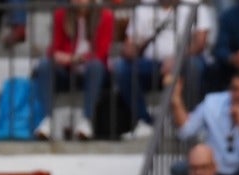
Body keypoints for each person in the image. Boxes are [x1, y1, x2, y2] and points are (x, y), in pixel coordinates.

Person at [114, 0, 212, 139]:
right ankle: (145, 121)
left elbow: (200, 43)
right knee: (122, 67)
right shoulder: (144, 7)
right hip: (152, 64)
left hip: (185, 60)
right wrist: (130, 50)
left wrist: (177, 60)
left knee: (195, 65)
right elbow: (129, 44)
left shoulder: (195, 4)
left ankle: (187, 121)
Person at [33, 0, 112, 142]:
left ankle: (86, 121)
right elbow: (53, 50)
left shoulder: (105, 16)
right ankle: (46, 120)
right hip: (68, 72)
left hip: (92, 73)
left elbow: (100, 53)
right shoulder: (61, 15)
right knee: (45, 65)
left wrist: (72, 58)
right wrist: (65, 58)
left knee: (95, 66)